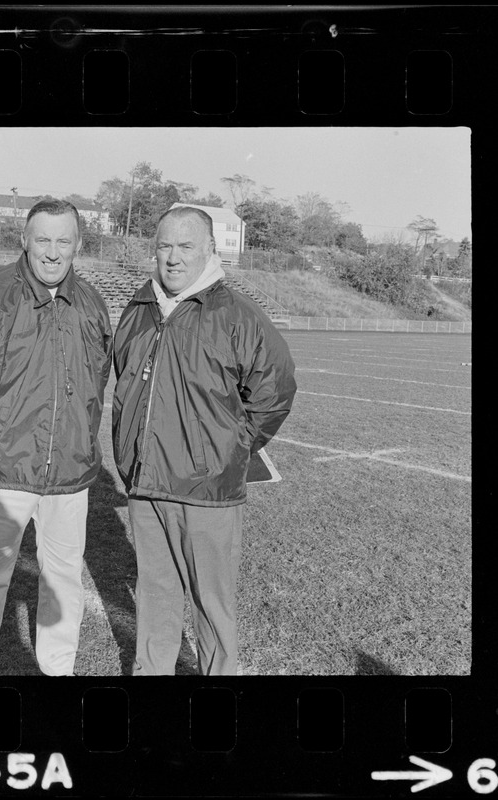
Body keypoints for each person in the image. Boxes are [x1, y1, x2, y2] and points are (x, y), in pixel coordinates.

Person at [112, 205, 297, 676]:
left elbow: (275, 390)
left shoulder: (236, 313)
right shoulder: (140, 307)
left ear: (210, 250)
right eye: (164, 246)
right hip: (147, 483)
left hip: (208, 492)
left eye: (186, 246)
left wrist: (229, 449)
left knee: (212, 606)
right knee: (155, 598)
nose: (172, 258)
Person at [0, 198, 112, 676]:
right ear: (24, 240)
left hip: (69, 475)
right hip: (1, 472)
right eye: (43, 239)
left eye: (64, 241)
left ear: (79, 244)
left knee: (64, 582)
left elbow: (96, 385)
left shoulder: (92, 303)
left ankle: (58, 673)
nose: (53, 252)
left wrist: (79, 444)